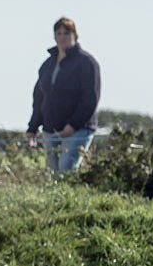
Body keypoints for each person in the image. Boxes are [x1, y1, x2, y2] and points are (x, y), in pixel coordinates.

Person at [27, 16, 101, 173]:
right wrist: (33, 127)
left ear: (75, 35)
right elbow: (40, 98)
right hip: (51, 128)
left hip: (79, 129)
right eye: (58, 33)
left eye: (66, 33)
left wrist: (73, 125)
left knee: (66, 170)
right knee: (53, 172)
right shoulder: (47, 65)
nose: (62, 37)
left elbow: (90, 99)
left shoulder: (86, 63)